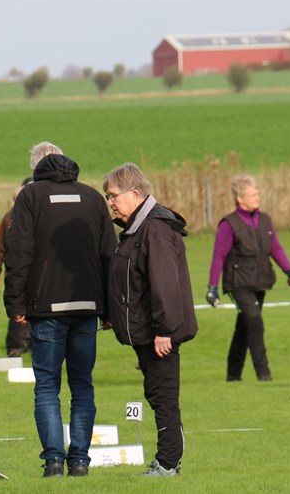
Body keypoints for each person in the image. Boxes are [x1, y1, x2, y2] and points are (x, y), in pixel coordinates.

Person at [3, 143, 116, 478]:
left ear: (37, 169)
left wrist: (15, 304)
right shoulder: (93, 197)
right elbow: (110, 255)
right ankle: (79, 461)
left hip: (46, 308)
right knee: (82, 385)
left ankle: (54, 461)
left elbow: (18, 253)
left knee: (47, 386)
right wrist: (109, 308)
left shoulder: (30, 196)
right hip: (87, 306)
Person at [103, 163, 198, 478]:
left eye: (113, 195)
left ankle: (168, 463)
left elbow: (164, 284)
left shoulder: (154, 229)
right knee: (157, 393)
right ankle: (168, 459)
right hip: (146, 332)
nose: (110, 202)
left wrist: (163, 331)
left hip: (159, 334)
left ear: (134, 193)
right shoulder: (137, 228)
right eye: (108, 197)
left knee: (163, 395)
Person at [205, 174, 290, 382]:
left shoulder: (265, 220)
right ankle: (263, 374)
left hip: (259, 281)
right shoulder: (228, 224)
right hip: (237, 283)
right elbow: (218, 256)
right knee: (254, 320)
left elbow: (275, 248)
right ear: (240, 198)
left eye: (257, 193)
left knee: (245, 325)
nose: (257, 197)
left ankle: (233, 374)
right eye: (253, 194)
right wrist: (212, 287)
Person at [0, 177, 33, 357]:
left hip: (34, 273)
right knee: (18, 309)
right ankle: (15, 345)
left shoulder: (42, 216)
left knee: (32, 309)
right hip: (17, 273)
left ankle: (31, 344)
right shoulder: (9, 218)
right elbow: (0, 246)